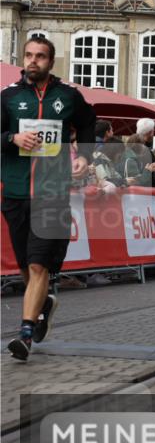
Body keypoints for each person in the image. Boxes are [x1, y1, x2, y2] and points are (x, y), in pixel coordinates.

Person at [2, 37, 95, 360]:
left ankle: (25, 333)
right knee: (27, 267)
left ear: (50, 62)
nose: (33, 61)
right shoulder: (9, 97)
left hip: (53, 192)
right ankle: (43, 305)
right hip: (15, 192)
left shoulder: (67, 96)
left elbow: (87, 123)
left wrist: (84, 156)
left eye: (40, 56)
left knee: (39, 265)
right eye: (28, 55)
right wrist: (12, 137)